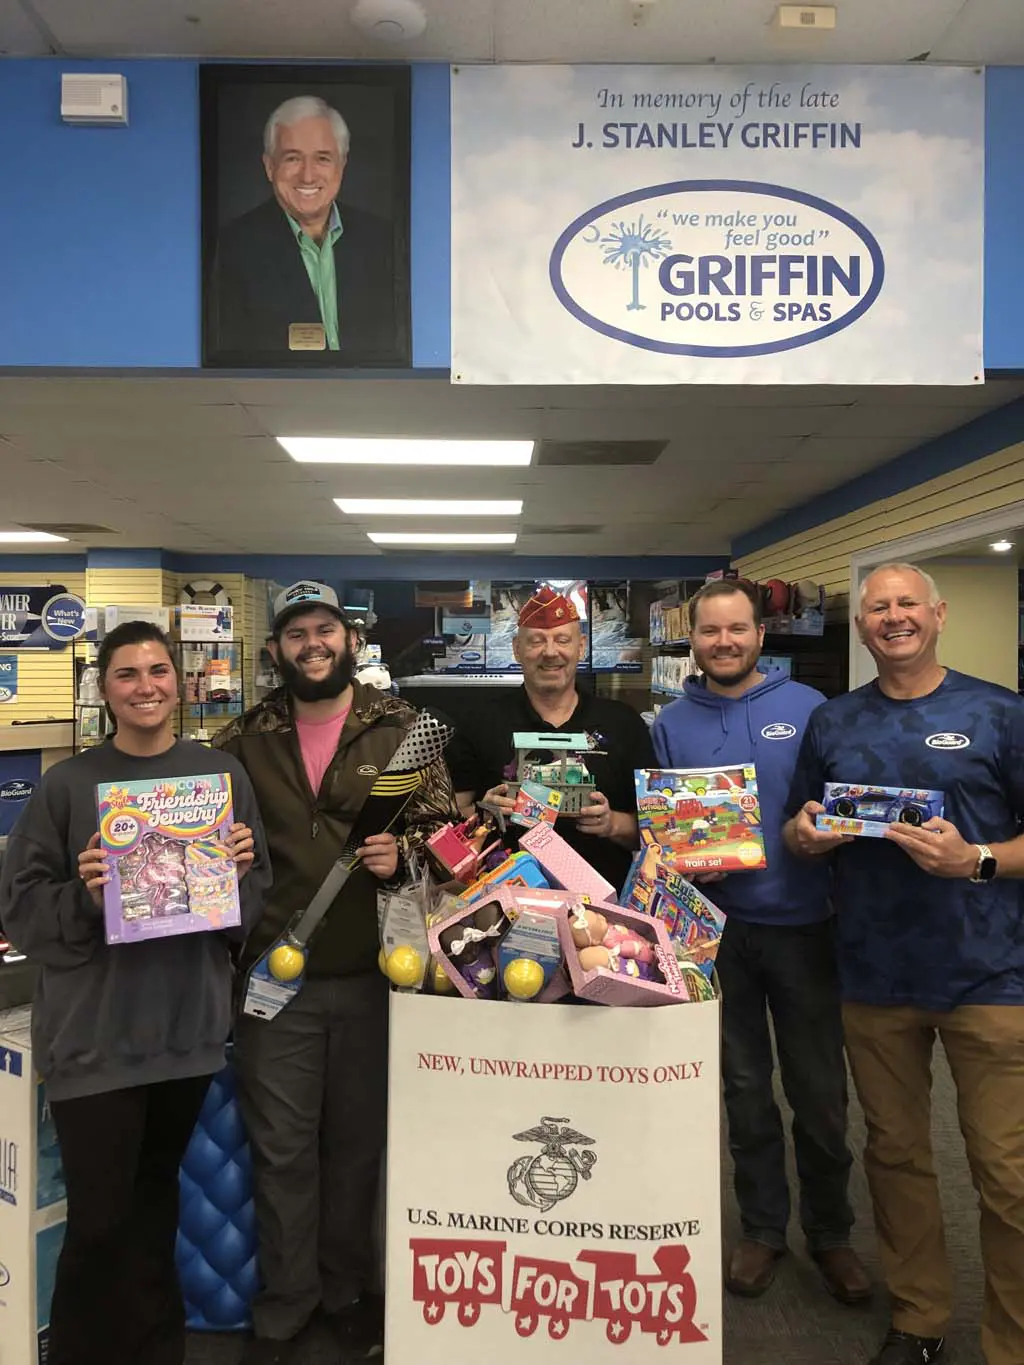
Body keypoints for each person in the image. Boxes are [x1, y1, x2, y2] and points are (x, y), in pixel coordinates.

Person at [0, 620, 269, 1365]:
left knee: (154, 1212)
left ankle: (156, 1351)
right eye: (127, 673)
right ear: (104, 688)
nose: (146, 686)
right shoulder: (68, 785)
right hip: (95, 1038)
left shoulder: (219, 777)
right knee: (100, 1224)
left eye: (158, 670)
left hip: (183, 1034)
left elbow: (250, 909)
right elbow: (21, 910)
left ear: (181, 682)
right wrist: (87, 895)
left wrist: (236, 876)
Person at [784, 562, 1024, 1365]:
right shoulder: (834, 721)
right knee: (895, 1156)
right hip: (874, 973)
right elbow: (800, 825)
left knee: (1008, 1173)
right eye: (878, 606)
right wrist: (806, 835)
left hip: (992, 974)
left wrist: (976, 858)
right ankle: (919, 1318)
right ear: (862, 625)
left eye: (907, 603)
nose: (894, 616)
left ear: (938, 613)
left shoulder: (1001, 712)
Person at [214, 580, 456, 1365]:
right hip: (272, 980)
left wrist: (402, 854)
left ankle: (347, 1292)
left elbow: (451, 841)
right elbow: (209, 846)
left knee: (355, 1148)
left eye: (325, 629)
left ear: (350, 640)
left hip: (373, 975)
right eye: (296, 633)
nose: (312, 644)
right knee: (282, 1150)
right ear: (276, 649)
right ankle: (287, 1303)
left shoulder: (404, 729)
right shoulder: (240, 738)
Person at [651, 579, 869, 1304]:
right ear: (692, 638)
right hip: (716, 933)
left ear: (760, 635)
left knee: (819, 1092)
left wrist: (827, 831)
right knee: (744, 1090)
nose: (724, 642)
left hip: (804, 926)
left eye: (737, 629)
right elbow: (662, 827)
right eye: (710, 631)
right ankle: (763, 1228)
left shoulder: (809, 708)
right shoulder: (671, 721)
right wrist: (675, 855)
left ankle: (831, 1232)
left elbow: (839, 804)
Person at [446, 584, 655, 895]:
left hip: (603, 909)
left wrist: (611, 823)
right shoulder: (479, 723)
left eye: (562, 640)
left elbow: (654, 830)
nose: (550, 652)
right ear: (517, 649)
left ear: (581, 647)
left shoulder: (623, 723)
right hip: (503, 904)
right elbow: (449, 821)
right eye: (536, 641)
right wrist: (484, 816)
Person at [208, 95, 401, 361]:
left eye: (322, 158)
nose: (308, 176)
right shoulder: (232, 248)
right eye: (293, 158)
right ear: (269, 166)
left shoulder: (383, 241)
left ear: (342, 165)